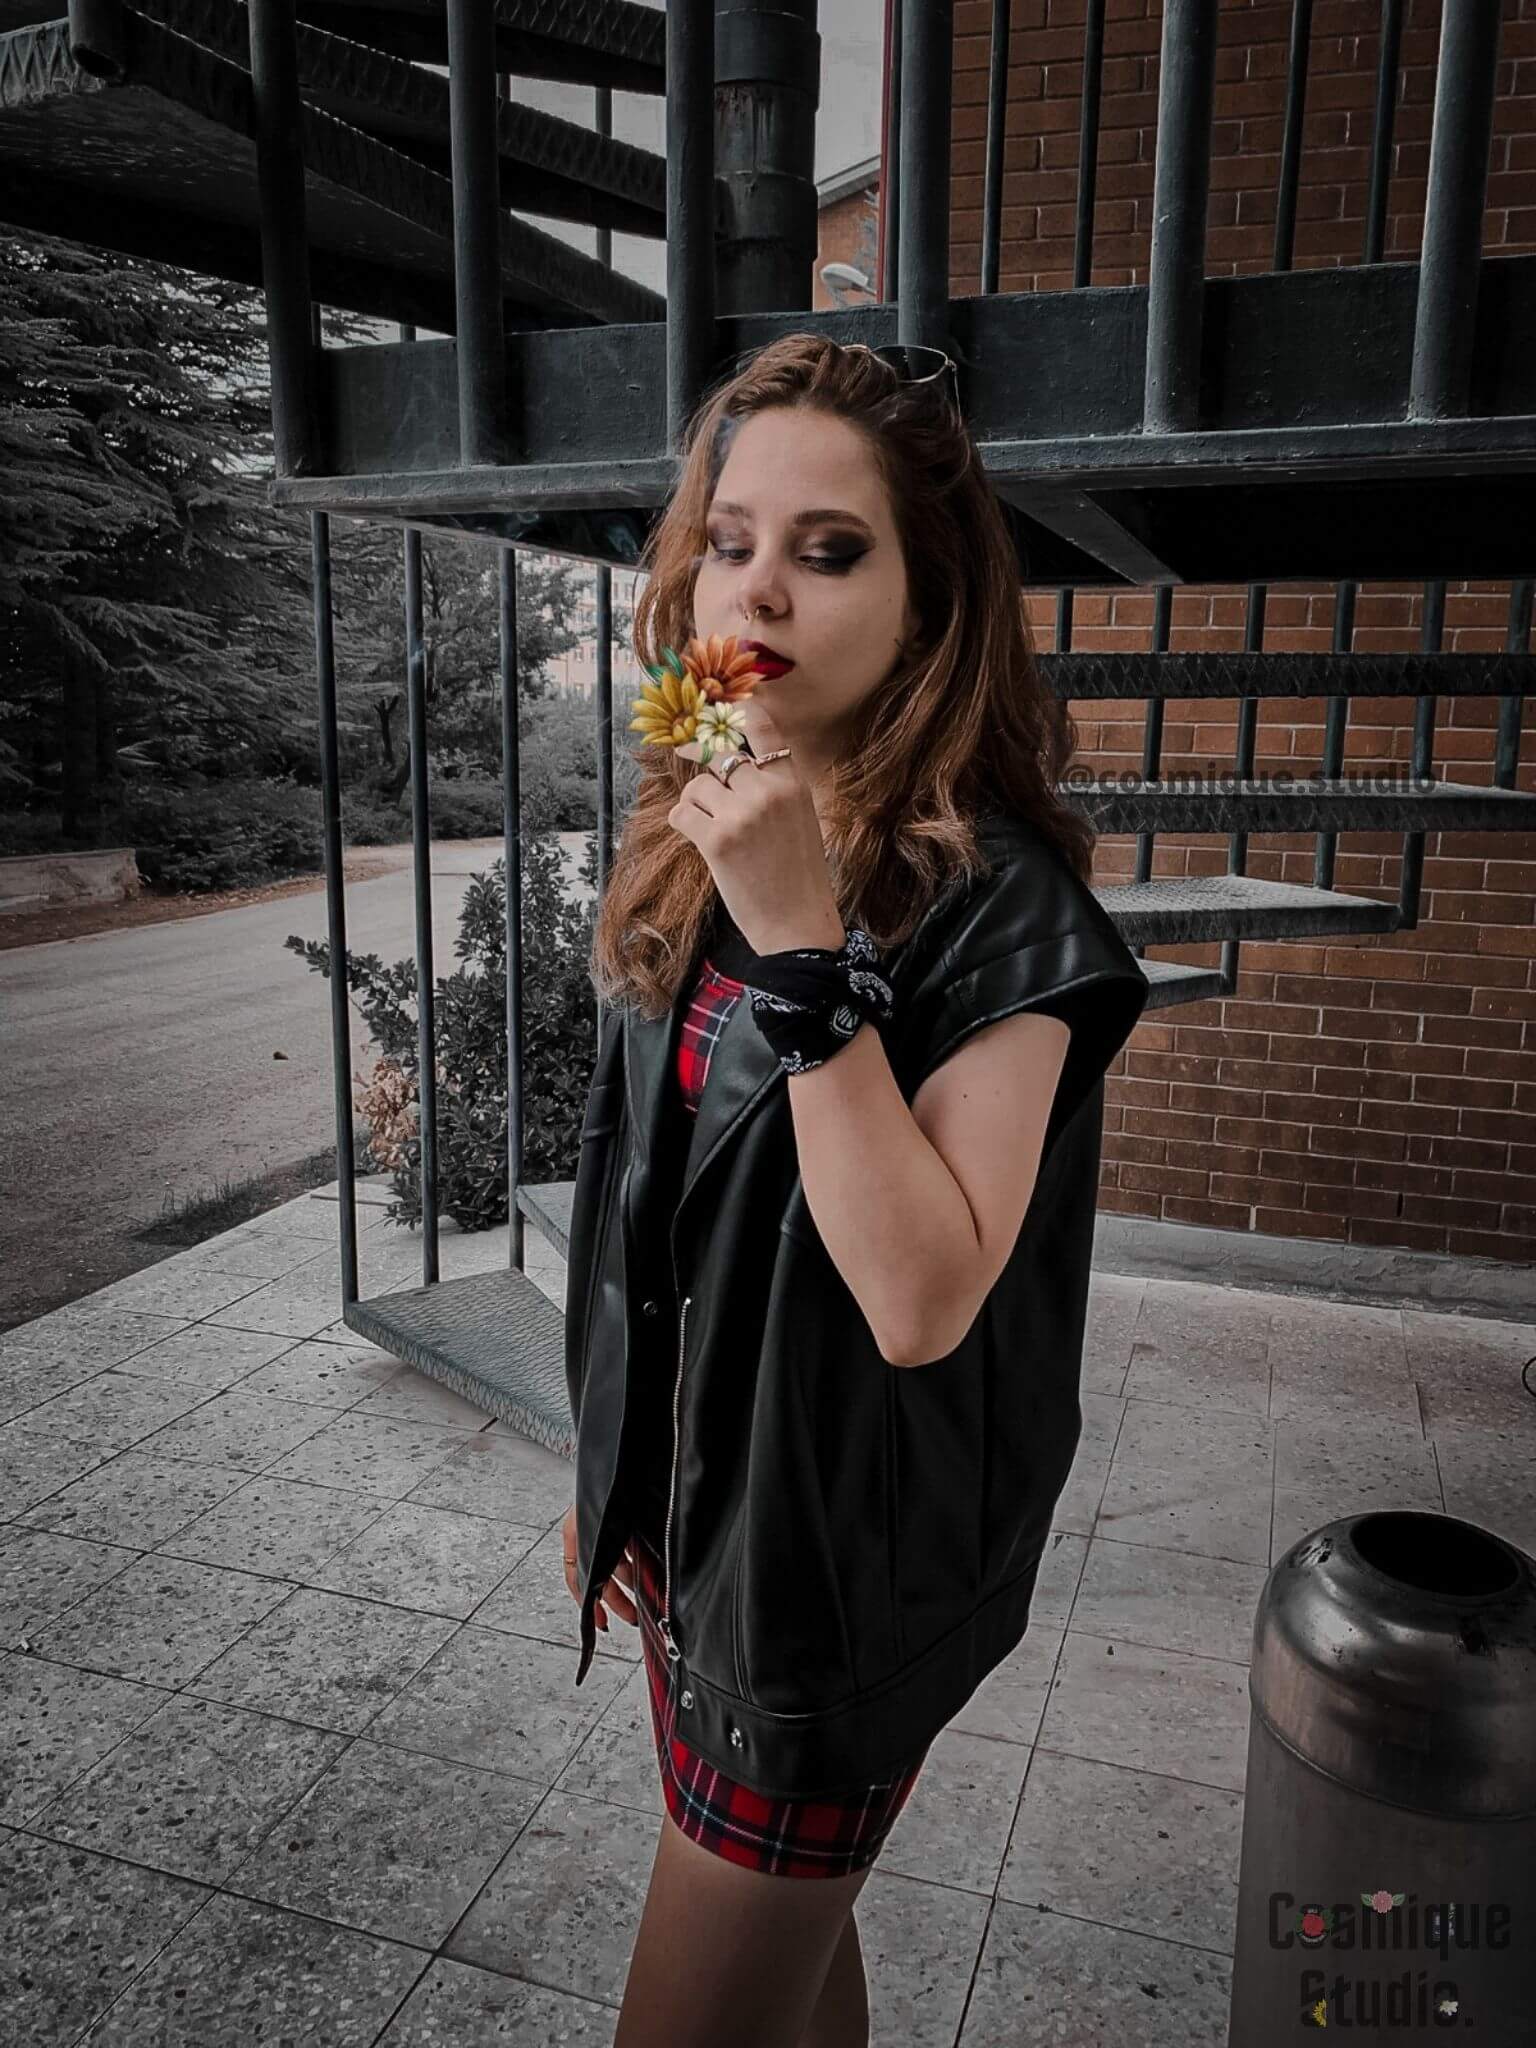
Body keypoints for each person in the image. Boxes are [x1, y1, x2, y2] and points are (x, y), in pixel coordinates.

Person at [559, 332, 1150, 2048]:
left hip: (829, 1583)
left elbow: (921, 1295)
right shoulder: (706, 820)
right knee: (800, 1983)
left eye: (833, 551)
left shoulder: (1002, 912)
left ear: (931, 598)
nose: (763, 588)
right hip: (694, 1536)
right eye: (731, 539)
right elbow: (643, 1203)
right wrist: (614, 1488)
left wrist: (808, 945)